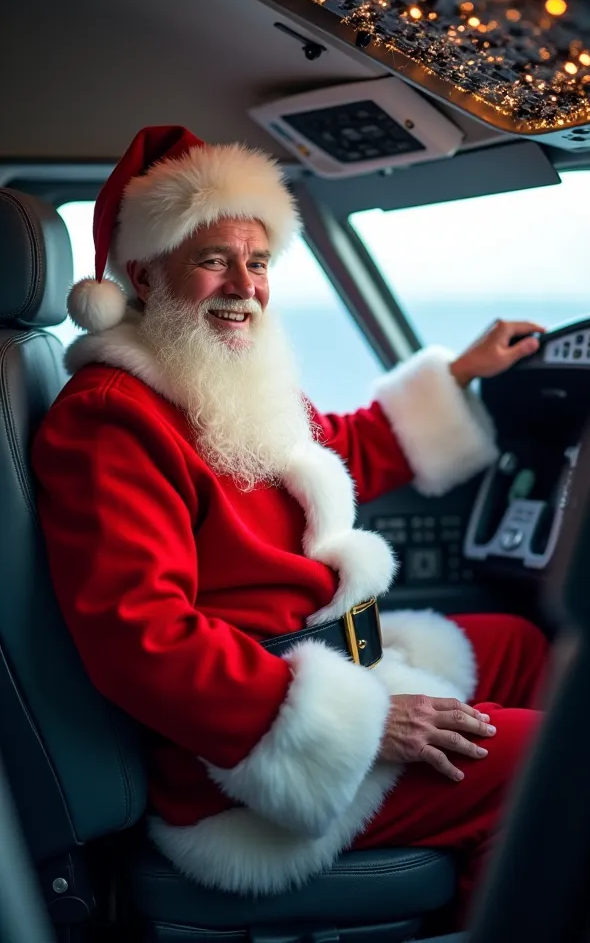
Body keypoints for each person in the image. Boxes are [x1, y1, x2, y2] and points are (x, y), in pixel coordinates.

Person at [32, 125, 547, 925]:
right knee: (557, 762)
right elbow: (141, 636)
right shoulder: (109, 421)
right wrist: (366, 724)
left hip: (319, 659)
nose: (244, 284)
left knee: (525, 647)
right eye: (212, 260)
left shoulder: (214, 379)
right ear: (141, 273)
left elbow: (335, 449)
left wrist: (458, 376)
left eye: (259, 260)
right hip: (239, 762)